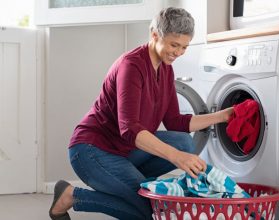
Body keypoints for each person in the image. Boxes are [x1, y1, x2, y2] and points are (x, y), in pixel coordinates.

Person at [48, 7, 233, 220]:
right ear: (155, 35)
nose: (179, 52)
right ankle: (72, 196)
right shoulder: (131, 66)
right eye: (174, 45)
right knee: (151, 210)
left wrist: (223, 115)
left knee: (183, 143)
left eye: (184, 47)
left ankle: (132, 188)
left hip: (125, 151)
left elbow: (175, 121)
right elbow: (130, 129)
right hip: (92, 151)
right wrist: (177, 158)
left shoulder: (166, 68)